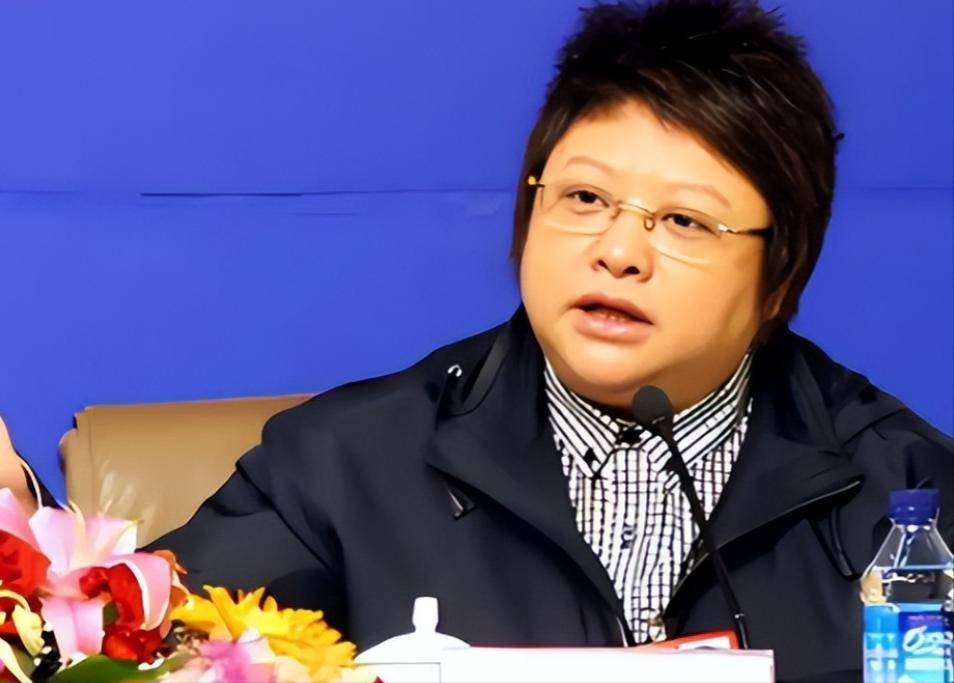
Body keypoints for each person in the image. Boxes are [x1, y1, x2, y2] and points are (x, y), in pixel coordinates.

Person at [1, 1, 951, 681]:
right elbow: (139, 650)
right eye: (584, 197)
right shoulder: (345, 466)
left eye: (684, 221)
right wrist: (26, 558)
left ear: (780, 277)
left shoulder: (904, 493)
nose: (618, 251)